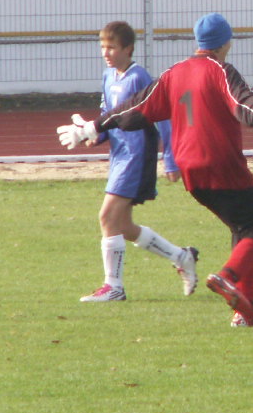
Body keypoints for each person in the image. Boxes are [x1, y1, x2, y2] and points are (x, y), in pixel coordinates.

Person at [57, 11, 253, 327]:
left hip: (192, 173)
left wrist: (93, 126)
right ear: (225, 42)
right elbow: (243, 101)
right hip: (220, 164)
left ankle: (244, 314)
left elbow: (134, 108)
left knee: (242, 230)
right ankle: (226, 277)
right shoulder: (219, 70)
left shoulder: (175, 73)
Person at [68, 21, 199, 303]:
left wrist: (172, 160)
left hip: (137, 157)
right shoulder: (108, 76)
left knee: (106, 217)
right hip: (119, 156)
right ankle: (182, 256)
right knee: (123, 227)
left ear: (128, 48)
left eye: (112, 47)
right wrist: (95, 137)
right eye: (103, 46)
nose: (106, 52)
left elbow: (163, 117)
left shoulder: (140, 77)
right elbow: (107, 114)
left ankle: (113, 286)